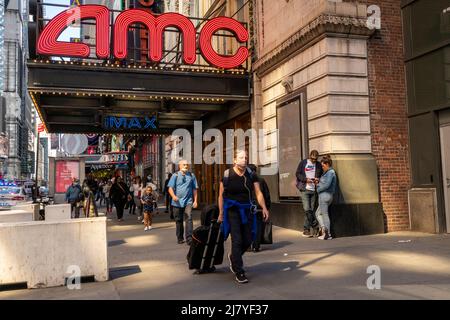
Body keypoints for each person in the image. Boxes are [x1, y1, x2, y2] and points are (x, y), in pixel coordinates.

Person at [218, 150, 269, 284]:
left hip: (247, 210)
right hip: (232, 211)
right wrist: (221, 213)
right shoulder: (227, 174)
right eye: (241, 157)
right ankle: (239, 270)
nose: (244, 160)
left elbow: (258, 192)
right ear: (235, 160)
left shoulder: (251, 175)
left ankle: (233, 257)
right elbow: (221, 196)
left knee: (248, 240)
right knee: (237, 240)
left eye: (246, 157)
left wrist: (263, 207)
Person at [168, 160, 198, 245]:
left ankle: (189, 238)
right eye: (184, 164)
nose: (186, 166)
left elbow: (194, 189)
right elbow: (170, 188)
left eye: (187, 165)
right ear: (179, 166)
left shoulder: (191, 175)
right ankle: (180, 238)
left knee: (189, 218)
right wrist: (173, 196)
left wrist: (195, 201)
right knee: (179, 220)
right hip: (177, 203)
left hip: (188, 201)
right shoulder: (175, 175)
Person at [295, 150, 323, 238]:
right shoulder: (303, 163)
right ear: (310, 156)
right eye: (312, 159)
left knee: (311, 210)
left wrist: (317, 178)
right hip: (304, 189)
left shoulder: (318, 165)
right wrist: (305, 179)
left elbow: (321, 174)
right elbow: (297, 174)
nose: (314, 161)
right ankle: (315, 226)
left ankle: (306, 229)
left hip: (313, 189)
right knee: (307, 209)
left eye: (315, 159)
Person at [247, 164, 271, 252]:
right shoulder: (261, 180)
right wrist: (267, 208)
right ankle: (256, 246)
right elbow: (266, 195)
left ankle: (249, 246)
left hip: (248, 207)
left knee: (248, 227)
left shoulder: (245, 180)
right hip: (259, 207)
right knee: (257, 226)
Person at [315, 156, 337, 240]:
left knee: (324, 214)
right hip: (325, 195)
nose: (322, 167)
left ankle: (327, 234)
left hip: (325, 195)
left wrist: (318, 189)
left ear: (327, 164)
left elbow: (327, 184)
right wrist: (318, 183)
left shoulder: (330, 172)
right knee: (318, 213)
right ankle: (325, 231)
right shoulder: (327, 172)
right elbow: (324, 183)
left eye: (323, 165)